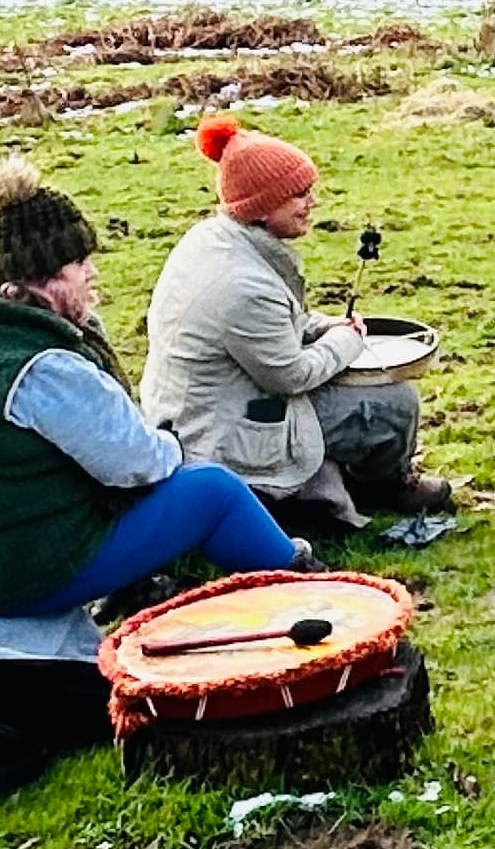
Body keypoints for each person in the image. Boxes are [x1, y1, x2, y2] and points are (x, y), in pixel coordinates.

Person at [0, 153, 305, 620]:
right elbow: (139, 464)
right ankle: (308, 587)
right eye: (77, 264)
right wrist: (172, 443)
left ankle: (134, 585)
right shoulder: (42, 368)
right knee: (213, 491)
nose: (91, 273)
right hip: (3, 579)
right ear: (33, 284)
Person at [144, 116, 450, 537]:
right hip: (226, 429)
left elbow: (275, 325)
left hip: (201, 408)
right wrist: (346, 340)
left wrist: (324, 327)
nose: (312, 202)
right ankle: (386, 487)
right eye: (299, 195)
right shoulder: (242, 285)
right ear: (261, 207)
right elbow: (290, 375)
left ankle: (351, 479)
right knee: (393, 400)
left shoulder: (215, 241)